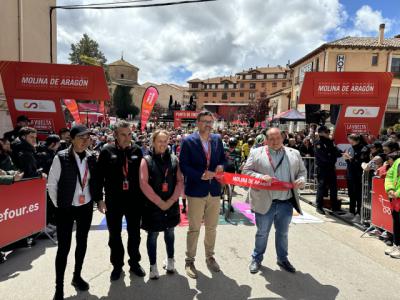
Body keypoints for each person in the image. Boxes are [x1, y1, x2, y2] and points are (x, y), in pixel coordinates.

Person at [243, 127, 306, 274]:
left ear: (282, 137)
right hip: (265, 201)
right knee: (262, 233)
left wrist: (301, 179)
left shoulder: (294, 153)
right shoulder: (256, 153)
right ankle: (256, 259)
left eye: (277, 137)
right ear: (266, 140)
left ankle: (282, 259)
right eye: (271, 138)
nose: (275, 141)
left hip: (286, 202)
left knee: (283, 233)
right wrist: (259, 177)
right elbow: (245, 172)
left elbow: (302, 172)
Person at [47, 125, 98, 300]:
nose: (86, 141)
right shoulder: (60, 157)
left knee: (82, 243)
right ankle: (59, 287)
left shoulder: (91, 157)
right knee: (63, 248)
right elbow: (51, 185)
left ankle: (77, 276)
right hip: (66, 209)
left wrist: (97, 199)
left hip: (85, 207)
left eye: (88, 137)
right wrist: (60, 206)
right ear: (72, 139)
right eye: (82, 137)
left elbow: (95, 182)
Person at [94, 121, 146, 281]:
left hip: (134, 201)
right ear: (115, 135)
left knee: (135, 234)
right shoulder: (106, 151)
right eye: (123, 134)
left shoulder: (137, 150)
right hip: (113, 201)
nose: (127, 137)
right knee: (114, 235)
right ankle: (117, 265)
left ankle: (135, 262)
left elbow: (143, 177)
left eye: (129, 134)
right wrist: (99, 199)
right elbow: (97, 177)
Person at [179, 110, 226, 279]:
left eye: (210, 121)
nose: (208, 124)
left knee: (212, 227)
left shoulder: (217, 140)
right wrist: (200, 174)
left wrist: (221, 166)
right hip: (196, 190)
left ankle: (210, 257)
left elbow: (223, 159)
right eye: (205, 121)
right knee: (194, 228)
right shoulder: (188, 141)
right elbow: (183, 165)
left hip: (214, 190)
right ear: (198, 123)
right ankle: (189, 260)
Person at [139, 130, 183, 279]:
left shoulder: (174, 159)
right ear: (153, 141)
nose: (163, 144)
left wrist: (170, 201)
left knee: (170, 233)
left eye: (165, 141)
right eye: (160, 141)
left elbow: (179, 181)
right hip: (152, 207)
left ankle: (170, 261)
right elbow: (143, 184)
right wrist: (159, 202)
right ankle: (153, 267)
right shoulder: (146, 160)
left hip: (170, 205)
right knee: (152, 235)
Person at [314, 126, 342, 215]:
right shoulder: (318, 143)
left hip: (331, 168)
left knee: (334, 188)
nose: (328, 133)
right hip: (323, 168)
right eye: (326, 132)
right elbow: (323, 157)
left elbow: (338, 152)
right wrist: (332, 155)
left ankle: (334, 206)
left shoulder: (330, 142)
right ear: (321, 133)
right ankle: (319, 206)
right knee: (321, 187)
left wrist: (337, 154)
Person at [343, 134, 369, 223]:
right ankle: (351, 212)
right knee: (351, 194)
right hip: (350, 174)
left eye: (349, 139)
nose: (348, 141)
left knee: (358, 195)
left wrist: (351, 159)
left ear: (353, 140)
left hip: (358, 176)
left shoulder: (363, 149)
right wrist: (347, 158)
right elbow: (348, 161)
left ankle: (358, 214)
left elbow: (362, 163)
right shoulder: (350, 148)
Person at [384, 154, 400, 259]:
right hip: (395, 199)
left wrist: (397, 193)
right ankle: (397, 245)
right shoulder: (398, 161)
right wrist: (390, 189)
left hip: (397, 196)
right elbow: (389, 175)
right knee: (397, 222)